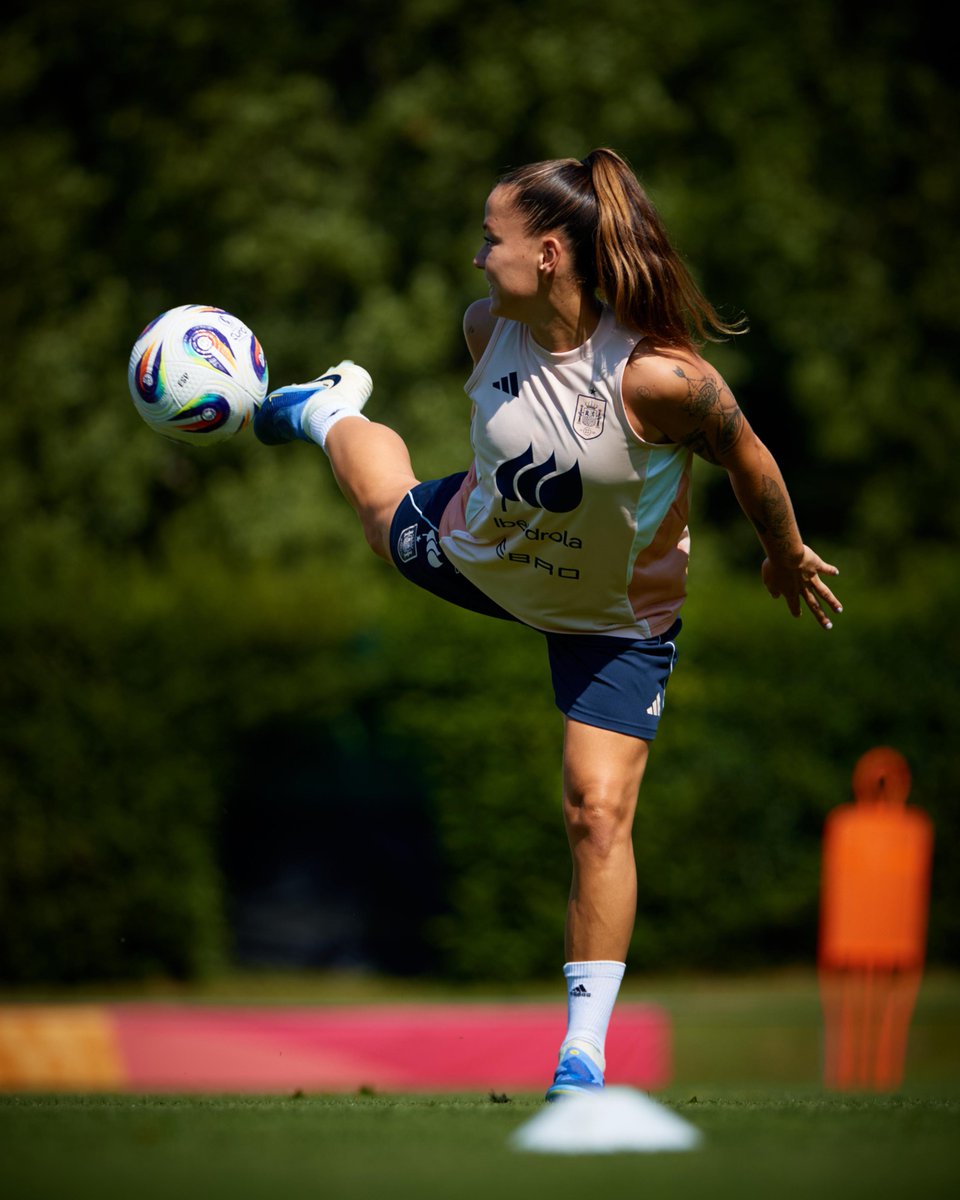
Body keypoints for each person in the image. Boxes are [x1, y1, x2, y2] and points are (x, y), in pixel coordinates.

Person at [253, 148, 842, 1101]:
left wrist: (782, 547)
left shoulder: (661, 381)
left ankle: (582, 1059)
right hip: (485, 553)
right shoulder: (488, 325)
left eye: (494, 240)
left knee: (595, 808)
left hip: (613, 618)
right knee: (378, 511)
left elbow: (750, 455)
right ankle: (327, 411)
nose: (479, 257)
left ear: (553, 253)